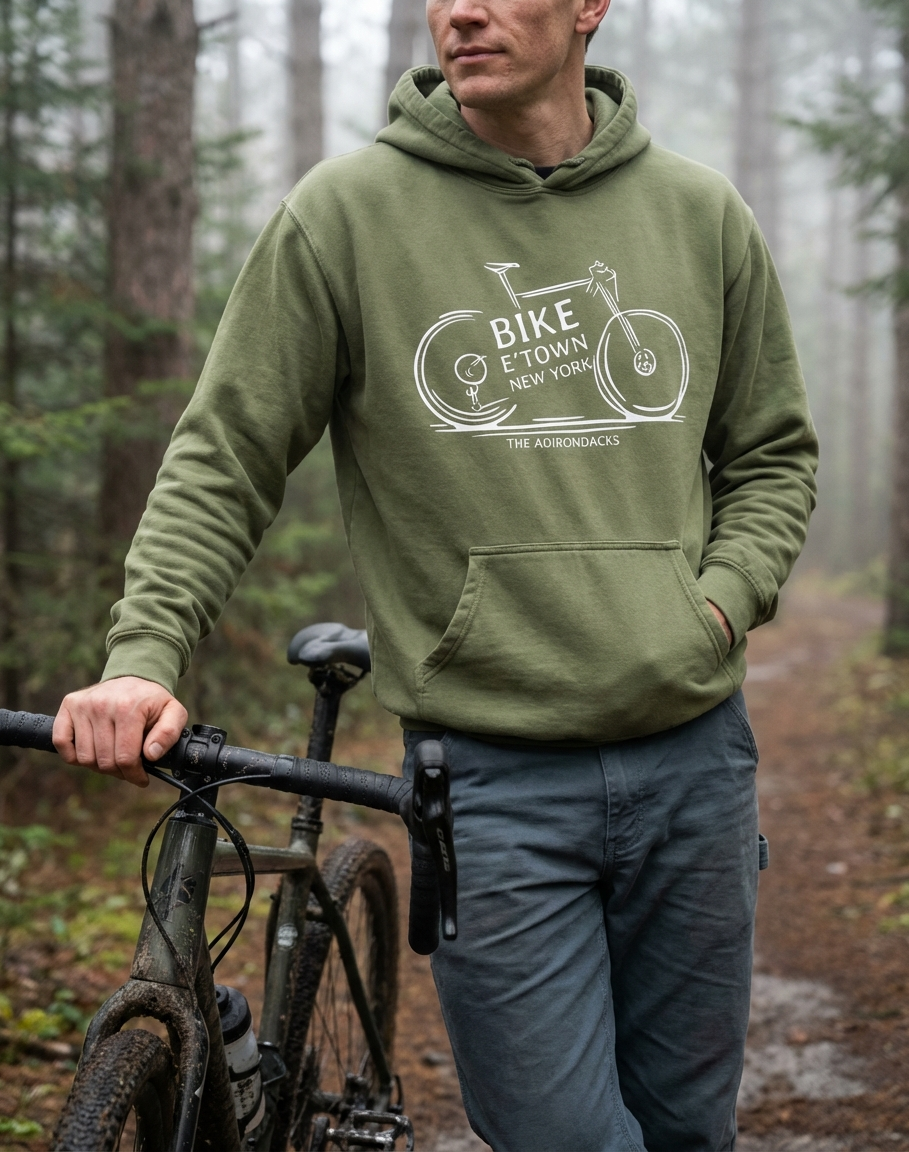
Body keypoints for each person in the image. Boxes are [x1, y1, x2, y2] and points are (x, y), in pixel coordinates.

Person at [52, 0, 818, 1145]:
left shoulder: (699, 214)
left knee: (686, 1132)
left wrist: (713, 606)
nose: (459, 9)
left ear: (589, 7)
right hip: (490, 785)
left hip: (693, 765)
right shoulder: (346, 216)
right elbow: (224, 458)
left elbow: (770, 455)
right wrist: (143, 654)